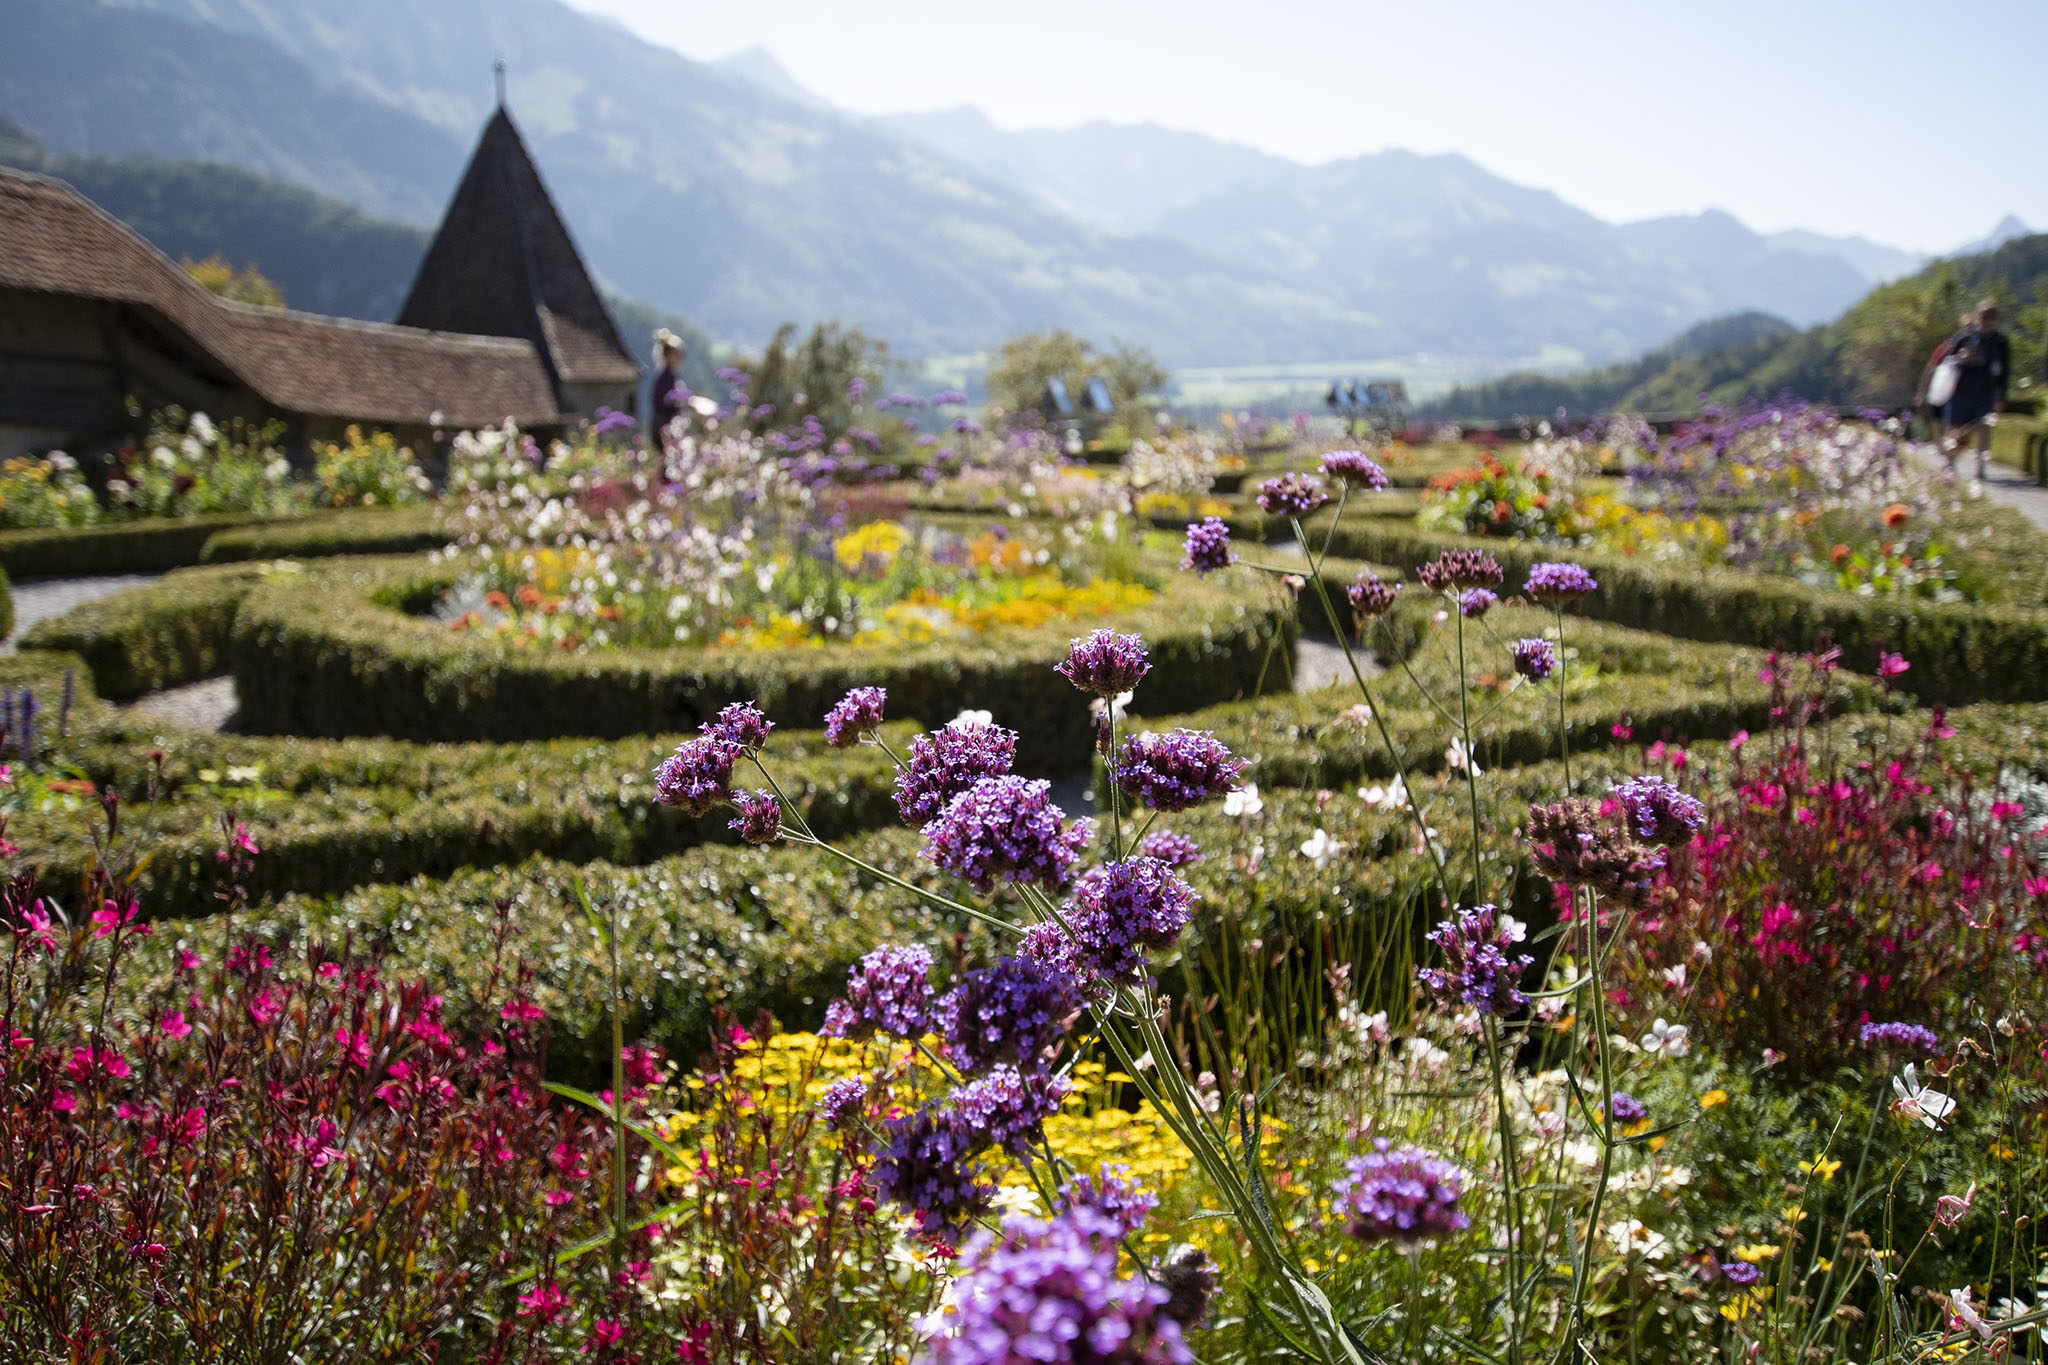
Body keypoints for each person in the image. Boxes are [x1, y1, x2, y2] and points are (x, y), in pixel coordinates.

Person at [1936, 300, 2011, 479]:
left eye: (1990, 317)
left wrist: (2001, 396)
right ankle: (1951, 463)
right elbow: (1945, 361)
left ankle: (1980, 465)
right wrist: (1961, 359)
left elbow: (2005, 370)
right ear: (1978, 316)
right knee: (1955, 429)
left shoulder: (2000, 342)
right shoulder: (1964, 337)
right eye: (1984, 316)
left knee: (1983, 425)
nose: (1986, 320)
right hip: (1961, 391)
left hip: (1985, 392)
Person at [650, 329, 686, 454]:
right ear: (668, 355)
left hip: (666, 427)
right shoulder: (666, 378)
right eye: (677, 353)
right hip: (666, 429)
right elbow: (661, 404)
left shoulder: (668, 375)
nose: (681, 356)